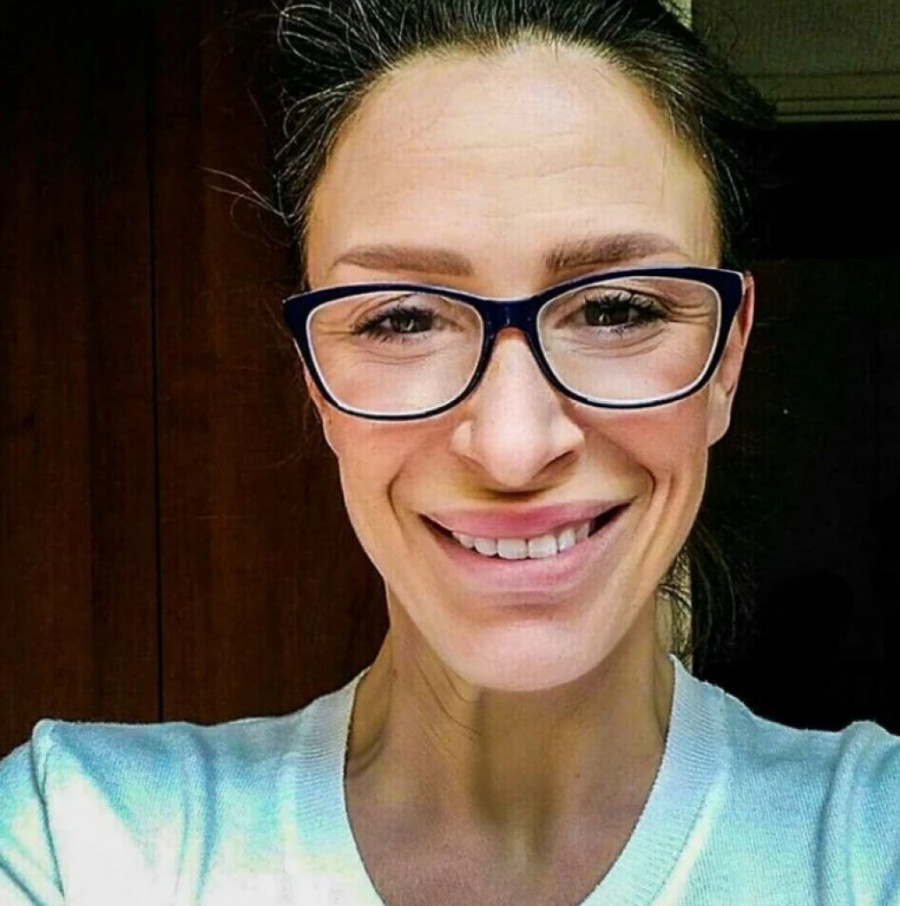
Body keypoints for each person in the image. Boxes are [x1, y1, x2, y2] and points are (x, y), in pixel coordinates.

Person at [2, 1, 899, 903]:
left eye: (616, 309)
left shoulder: (869, 842)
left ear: (727, 358)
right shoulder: (77, 839)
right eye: (401, 320)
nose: (513, 449)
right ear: (314, 379)